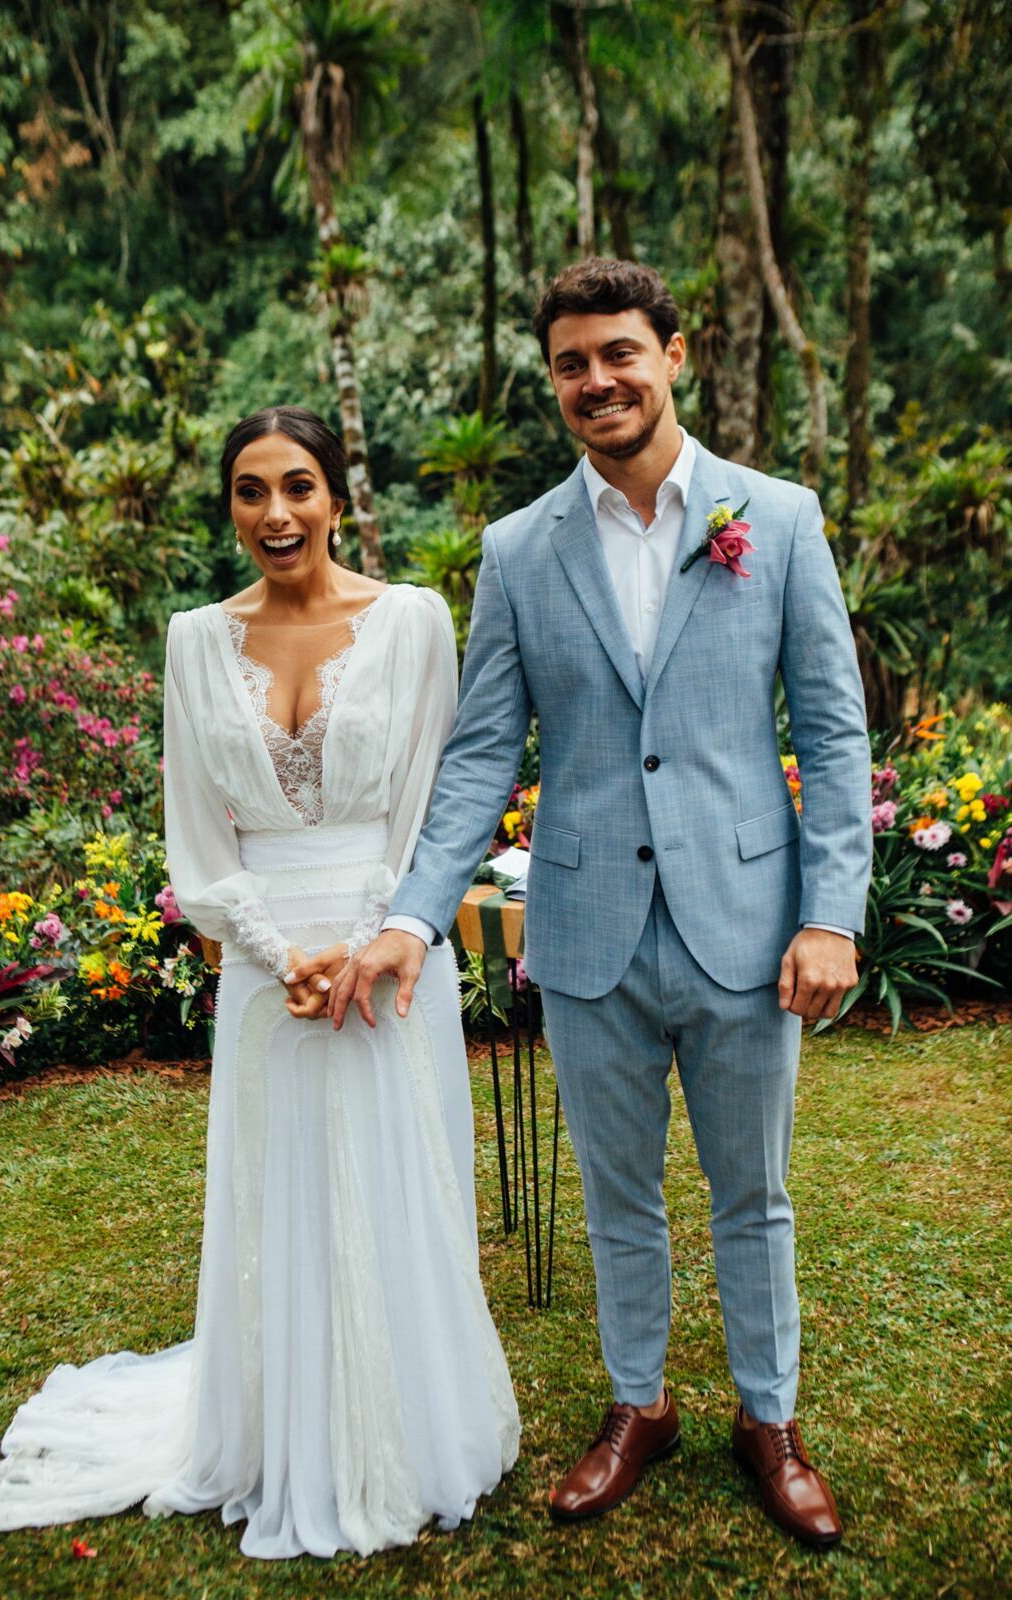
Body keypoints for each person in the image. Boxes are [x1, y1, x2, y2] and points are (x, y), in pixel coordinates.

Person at [331, 260, 872, 1549]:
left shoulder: (776, 518)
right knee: (615, 1195)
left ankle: (769, 1419)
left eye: (618, 353)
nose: (596, 381)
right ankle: (639, 1404)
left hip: (747, 926)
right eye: (571, 363)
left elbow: (834, 731)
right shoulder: (518, 549)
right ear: (555, 380)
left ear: (671, 354)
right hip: (583, 935)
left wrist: (831, 912)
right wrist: (412, 915)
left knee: (753, 1194)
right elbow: (480, 754)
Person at [0, 406, 518, 1560]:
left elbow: (432, 807)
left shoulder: (410, 622)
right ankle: (274, 1430)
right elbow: (197, 841)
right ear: (229, 506)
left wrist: (368, 942)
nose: (275, 513)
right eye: (250, 491)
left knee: (394, 1183)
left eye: (297, 486)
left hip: (388, 951)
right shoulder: (193, 639)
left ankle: (403, 1425)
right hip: (266, 972)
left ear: (337, 496)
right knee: (281, 1195)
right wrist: (274, 951)